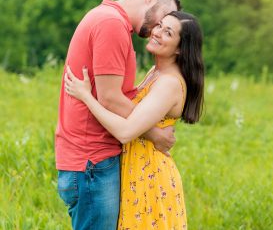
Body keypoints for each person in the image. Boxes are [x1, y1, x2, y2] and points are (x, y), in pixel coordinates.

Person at [55, 0, 181, 230]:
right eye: (163, 18)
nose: (158, 27)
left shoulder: (110, 21)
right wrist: (154, 133)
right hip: (93, 161)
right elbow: (110, 98)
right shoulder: (110, 24)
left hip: (91, 161)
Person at [64, 11, 204, 229]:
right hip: (137, 169)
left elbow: (126, 131)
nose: (156, 32)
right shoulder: (155, 72)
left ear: (179, 48)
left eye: (168, 32)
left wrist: (86, 97)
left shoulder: (169, 83)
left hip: (150, 176)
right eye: (159, 25)